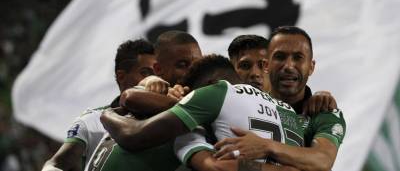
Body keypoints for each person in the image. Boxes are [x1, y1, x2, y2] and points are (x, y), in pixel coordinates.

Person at [100, 54, 307, 171]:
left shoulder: (213, 98)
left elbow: (132, 135)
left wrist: (107, 113)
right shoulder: (290, 112)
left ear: (208, 86)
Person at [214, 26, 346, 171]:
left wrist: (266, 146)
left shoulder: (324, 112)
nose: (289, 66)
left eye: (298, 57)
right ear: (267, 65)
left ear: (311, 67)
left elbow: (322, 160)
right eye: (280, 57)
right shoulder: (238, 104)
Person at [82, 30, 202, 171]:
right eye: (182, 65)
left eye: (197, 64)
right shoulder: (148, 96)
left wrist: (108, 115)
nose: (192, 71)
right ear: (158, 69)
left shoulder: (209, 96)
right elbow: (129, 98)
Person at [42, 39, 156, 171]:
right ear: (121, 76)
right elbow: (57, 164)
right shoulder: (92, 120)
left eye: (157, 73)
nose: (153, 80)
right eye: (145, 73)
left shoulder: (170, 116)